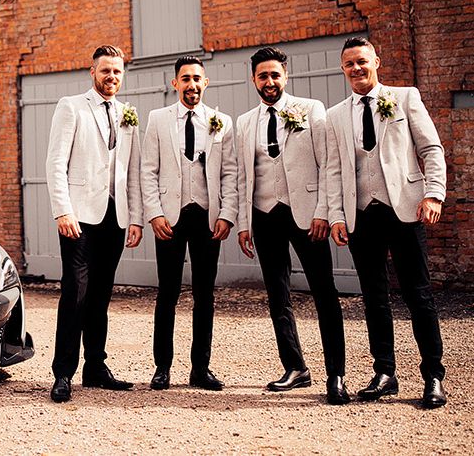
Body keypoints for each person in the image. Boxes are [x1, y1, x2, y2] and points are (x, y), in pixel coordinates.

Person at [326, 37, 447, 408]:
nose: (357, 69)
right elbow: (334, 169)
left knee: (418, 295)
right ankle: (385, 372)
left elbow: (430, 148)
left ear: (376, 61)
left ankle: (432, 377)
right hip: (362, 215)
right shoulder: (335, 115)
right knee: (374, 298)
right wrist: (336, 215)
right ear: (343, 69)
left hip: (406, 208)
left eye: (362, 61)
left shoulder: (405, 97)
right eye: (349, 64)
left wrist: (434, 193)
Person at [236, 47, 348, 405]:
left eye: (275, 75)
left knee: (324, 292)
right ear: (253, 79)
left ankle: (336, 374)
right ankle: (295, 367)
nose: (269, 81)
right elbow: (241, 177)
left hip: (306, 214)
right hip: (264, 214)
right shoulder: (244, 122)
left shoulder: (311, 109)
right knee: (278, 294)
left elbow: (328, 163)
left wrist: (324, 211)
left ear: (286, 75)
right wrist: (243, 223)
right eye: (262, 76)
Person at [45, 45, 143, 403]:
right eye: (105, 71)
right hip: (80, 218)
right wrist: (62, 211)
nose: (111, 77)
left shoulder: (128, 113)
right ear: (93, 72)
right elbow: (55, 163)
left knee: (101, 295)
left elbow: (130, 171)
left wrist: (134, 218)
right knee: (76, 293)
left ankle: (96, 367)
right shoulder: (71, 106)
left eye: (117, 72)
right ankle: (63, 373)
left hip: (114, 219)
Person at [141, 56, 237, 391]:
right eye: (185, 78)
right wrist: (153, 213)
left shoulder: (220, 122)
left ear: (205, 82)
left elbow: (229, 173)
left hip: (208, 217)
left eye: (197, 78)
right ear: (175, 83)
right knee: (166, 292)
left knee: (204, 294)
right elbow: (147, 170)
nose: (191, 84)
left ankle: (201, 368)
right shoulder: (158, 119)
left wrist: (227, 215)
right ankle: (162, 367)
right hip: (169, 216)